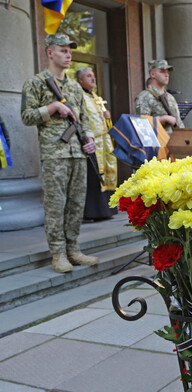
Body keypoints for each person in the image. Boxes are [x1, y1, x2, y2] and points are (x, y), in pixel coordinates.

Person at [21, 33, 99, 273]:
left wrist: (90, 139)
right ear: (50, 53)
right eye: (63, 50)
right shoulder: (36, 83)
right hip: (54, 153)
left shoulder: (75, 87)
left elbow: (84, 119)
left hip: (77, 153)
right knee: (56, 205)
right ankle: (58, 253)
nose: (69, 55)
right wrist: (52, 107)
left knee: (76, 204)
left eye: (70, 51)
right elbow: (26, 116)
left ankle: (74, 249)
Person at [76, 68, 118, 221]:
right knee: (94, 176)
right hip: (91, 142)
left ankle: (107, 210)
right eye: (88, 76)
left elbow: (104, 123)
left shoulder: (96, 97)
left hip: (105, 142)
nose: (93, 79)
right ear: (80, 80)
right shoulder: (80, 96)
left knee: (108, 172)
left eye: (93, 76)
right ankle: (93, 212)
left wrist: (108, 118)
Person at [135, 59, 184, 136]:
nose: (166, 74)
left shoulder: (170, 97)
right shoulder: (143, 97)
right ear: (152, 74)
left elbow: (179, 122)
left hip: (173, 143)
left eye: (167, 72)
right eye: (162, 71)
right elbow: (140, 123)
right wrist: (162, 119)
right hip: (156, 145)